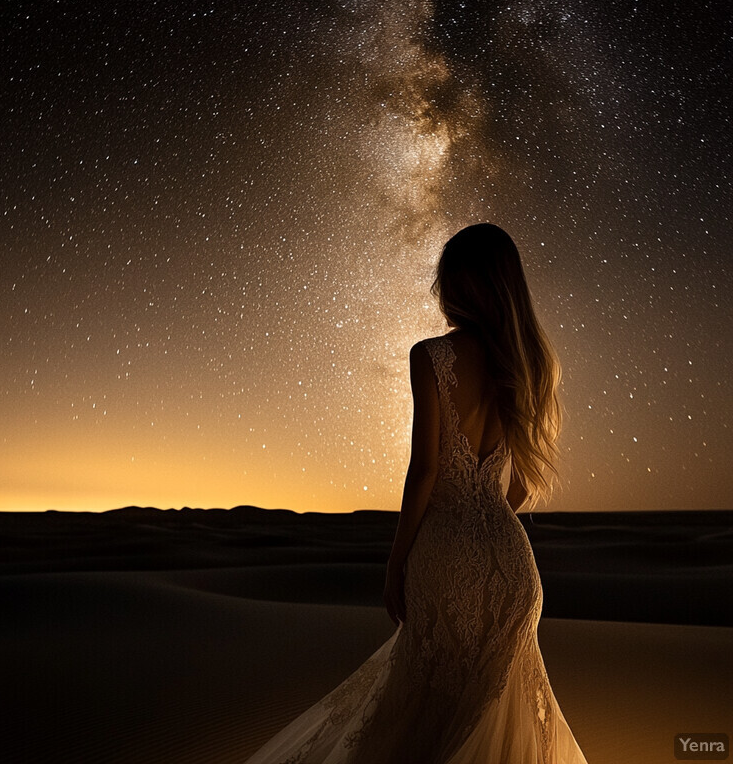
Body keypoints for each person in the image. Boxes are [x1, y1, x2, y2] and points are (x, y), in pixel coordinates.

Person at [242, 223, 590, 763]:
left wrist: (396, 562)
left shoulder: (431, 357)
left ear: (462, 284)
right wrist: (487, 517)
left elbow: (424, 471)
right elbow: (520, 486)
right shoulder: (530, 367)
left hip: (445, 555)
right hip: (512, 560)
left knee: (428, 710)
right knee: (500, 717)